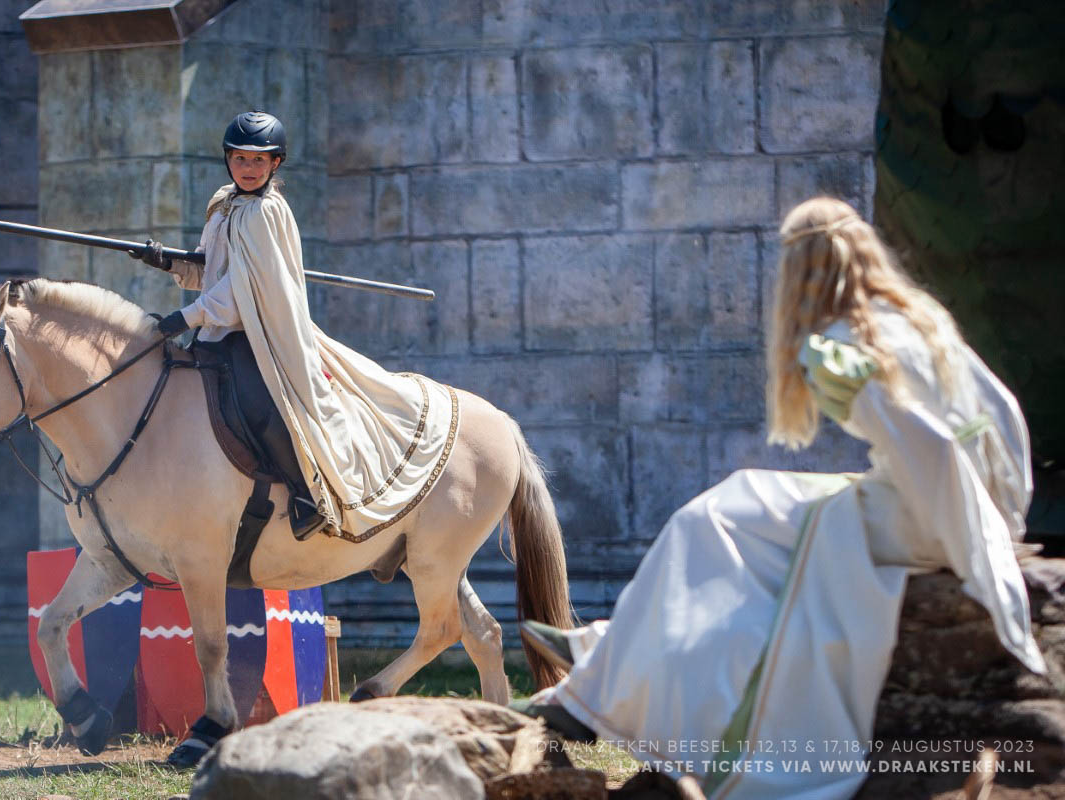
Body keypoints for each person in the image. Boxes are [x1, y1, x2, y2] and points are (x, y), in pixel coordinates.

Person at [517, 197, 1046, 800]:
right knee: (743, 506)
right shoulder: (918, 317)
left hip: (927, 513)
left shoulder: (849, 342)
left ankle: (602, 680)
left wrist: (970, 538)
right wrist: (1006, 507)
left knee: (714, 518)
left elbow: (928, 449)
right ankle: (608, 651)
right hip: (953, 504)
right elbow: (999, 414)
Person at [131, 111, 457, 542]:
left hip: (259, 333)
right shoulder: (225, 204)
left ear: (275, 165)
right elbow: (209, 271)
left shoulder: (266, 213)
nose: (248, 169)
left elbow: (240, 292)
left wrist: (185, 317)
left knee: (262, 404)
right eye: (240, 159)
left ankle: (307, 496)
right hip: (218, 332)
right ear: (228, 160)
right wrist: (168, 261)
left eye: (258, 161)